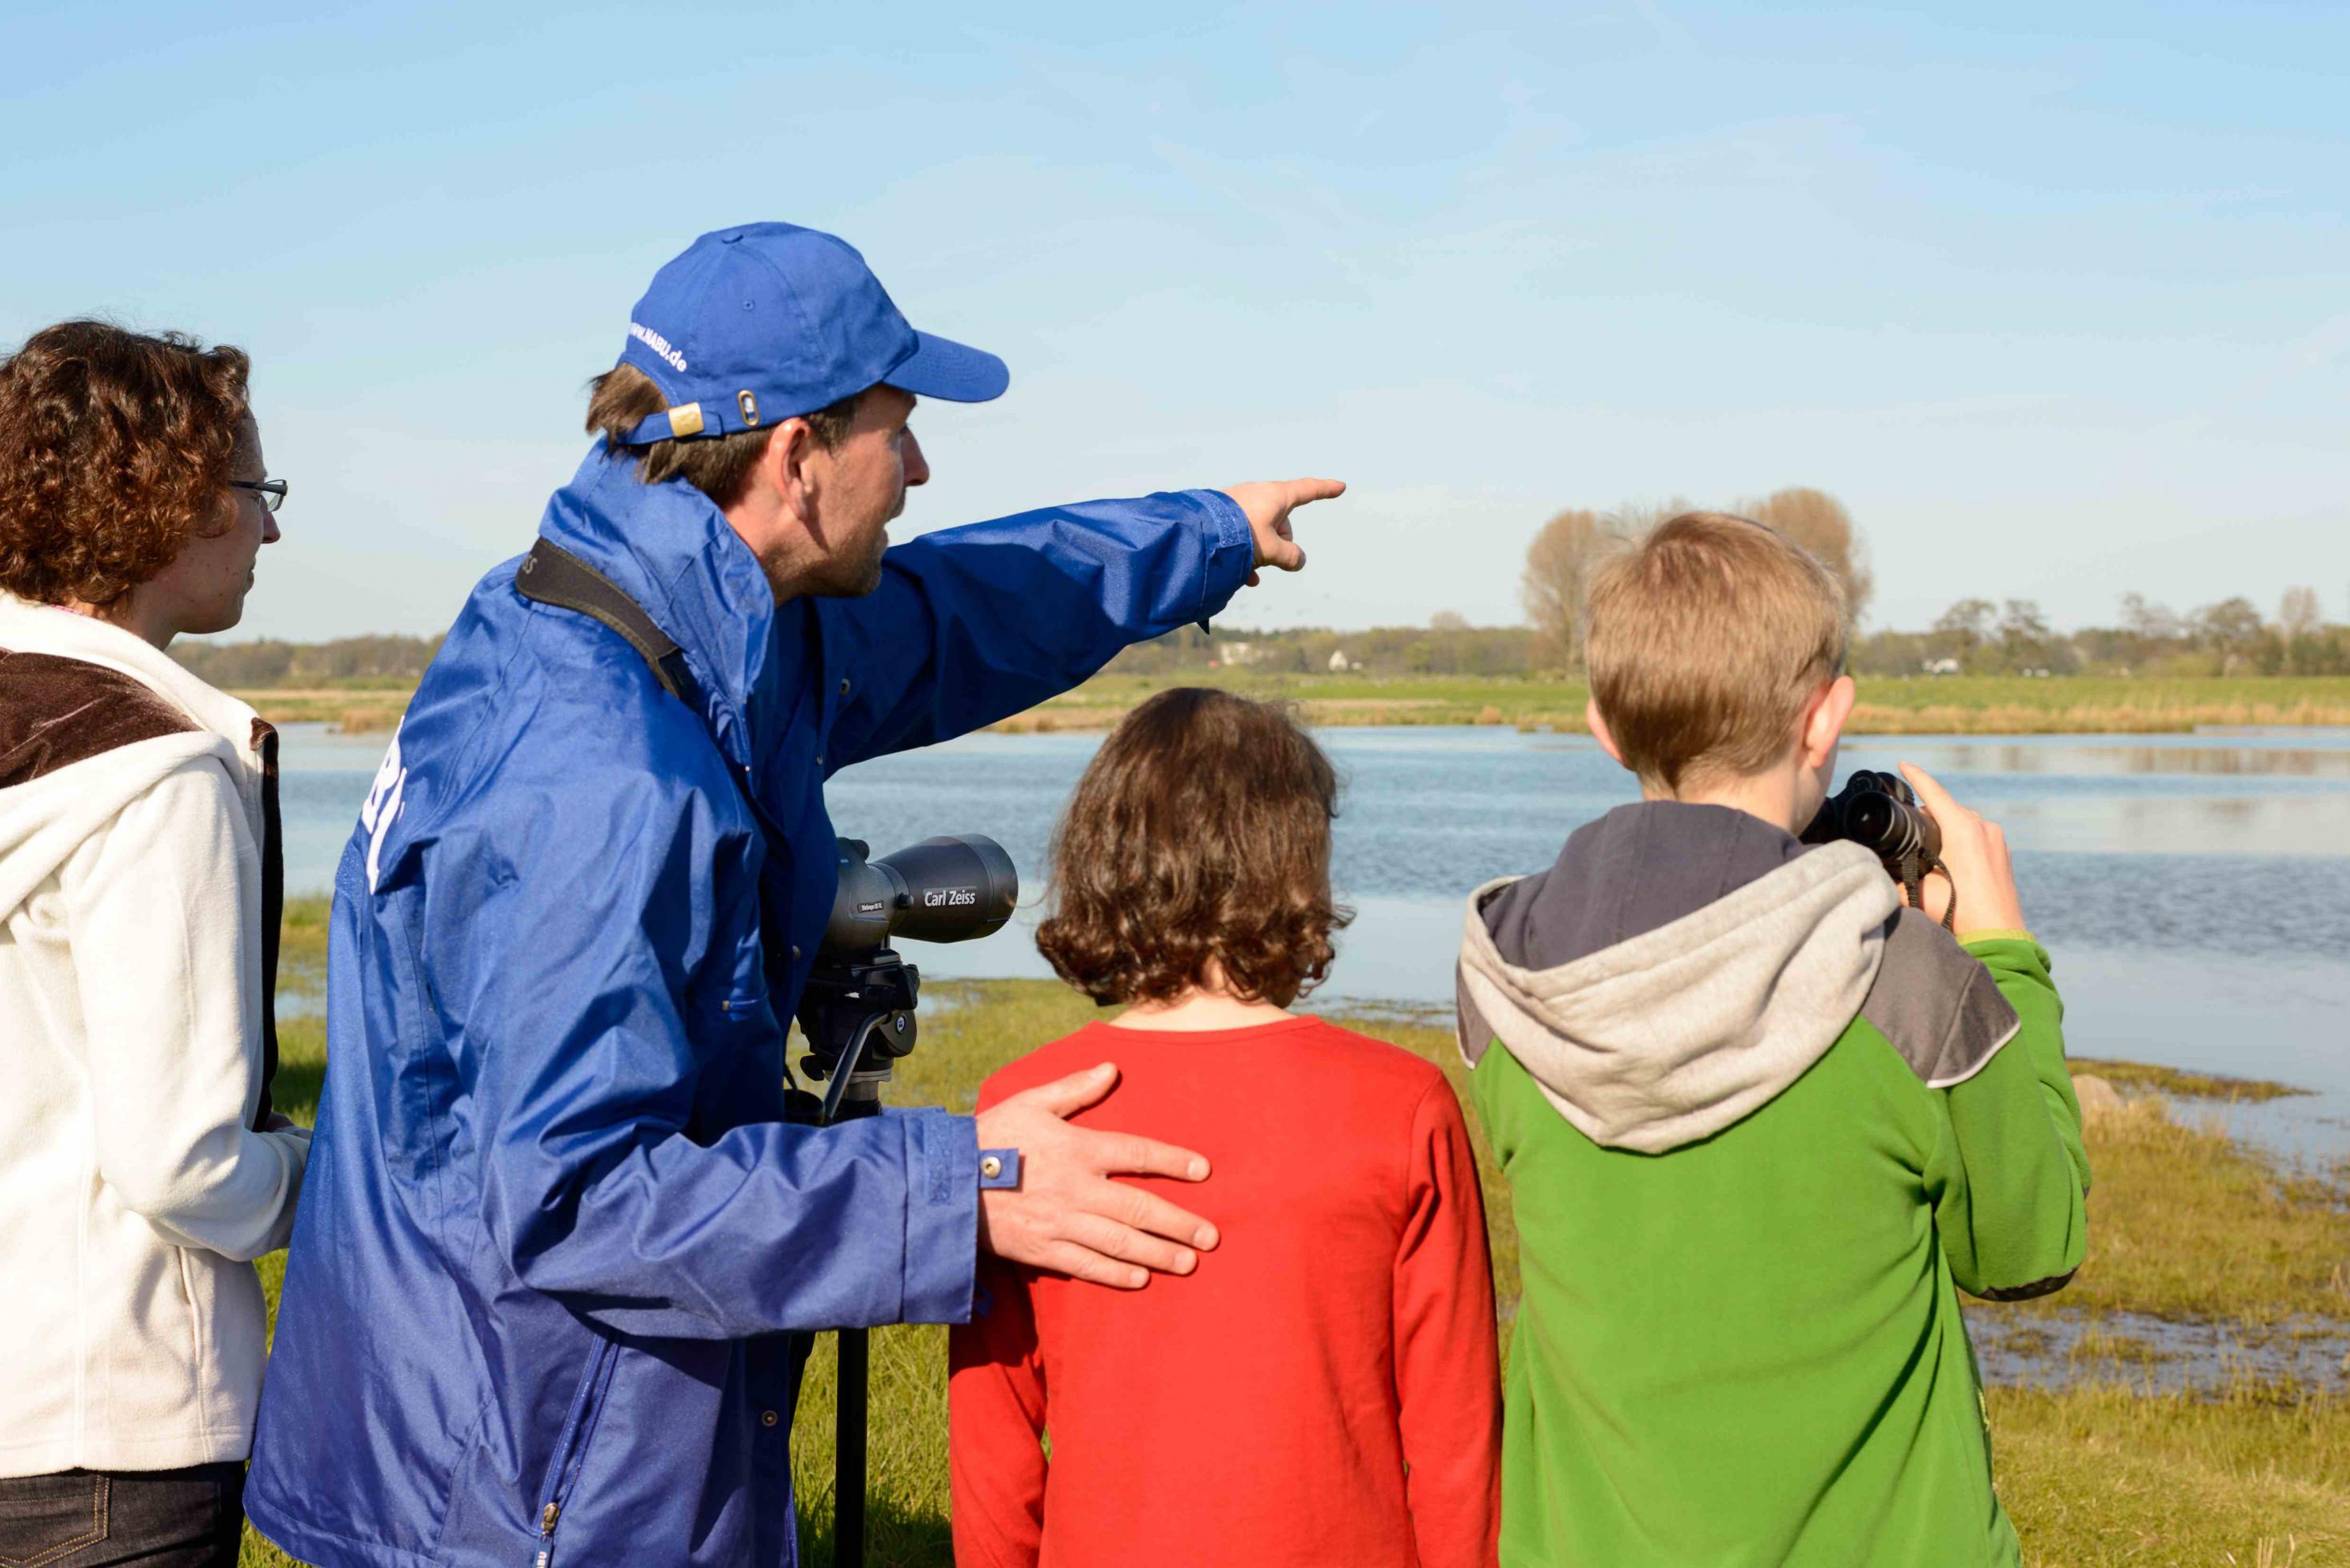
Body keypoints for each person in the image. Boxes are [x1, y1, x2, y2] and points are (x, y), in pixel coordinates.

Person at [242, 222, 1344, 1568]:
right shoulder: (601, 771)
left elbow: (956, 616)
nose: (923, 469)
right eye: (901, 427)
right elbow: (575, 1196)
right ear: (796, 453)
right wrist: (963, 1189)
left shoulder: (635, 618)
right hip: (526, 1490)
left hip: (532, 1437)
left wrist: (1205, 535)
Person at [1455, 512, 2090, 1566]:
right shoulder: (1909, 982)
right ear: (1823, 719)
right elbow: (2028, 1247)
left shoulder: (1505, 978)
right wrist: (2002, 953)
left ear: (1602, 727)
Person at [951, 686, 1501, 1567]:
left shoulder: (1024, 1113)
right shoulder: (1403, 1105)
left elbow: (993, 1440)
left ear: (1104, 853)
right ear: (1297, 865)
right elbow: (1458, 1444)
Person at [0, 322, 309, 1566]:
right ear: (169, 500)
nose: (271, 530)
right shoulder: (158, 774)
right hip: (115, 1433)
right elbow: (184, 1166)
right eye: (254, 490)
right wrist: (343, 1179)